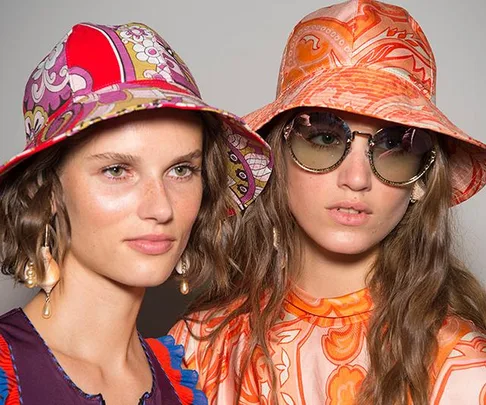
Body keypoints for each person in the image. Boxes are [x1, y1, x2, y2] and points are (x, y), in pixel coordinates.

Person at [169, 1, 486, 404]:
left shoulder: (464, 369)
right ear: (275, 158)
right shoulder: (195, 349)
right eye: (323, 138)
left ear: (421, 179)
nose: (355, 180)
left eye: (394, 146)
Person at [0, 22, 271, 405]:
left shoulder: (185, 380)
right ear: (45, 192)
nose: (161, 208)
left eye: (181, 170)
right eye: (116, 171)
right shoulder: (7, 370)